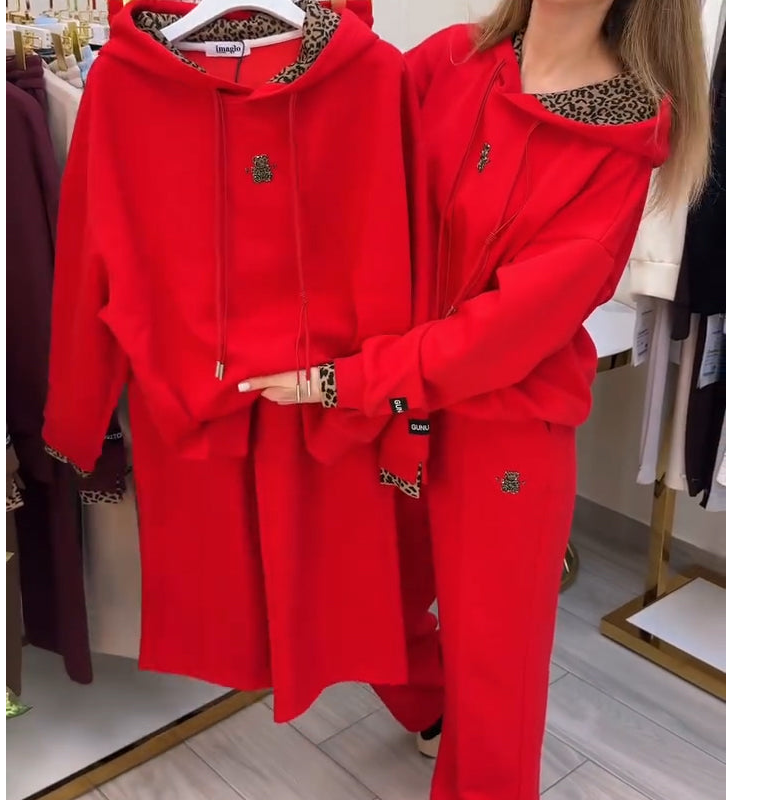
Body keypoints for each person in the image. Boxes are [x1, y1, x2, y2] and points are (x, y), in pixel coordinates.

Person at [239, 0, 711, 797]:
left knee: (496, 687)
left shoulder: (622, 140)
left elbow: (504, 334)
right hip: (393, 408)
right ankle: (431, 708)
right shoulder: (449, 59)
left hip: (504, 439)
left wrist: (339, 381)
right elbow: (343, 157)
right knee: (363, 605)